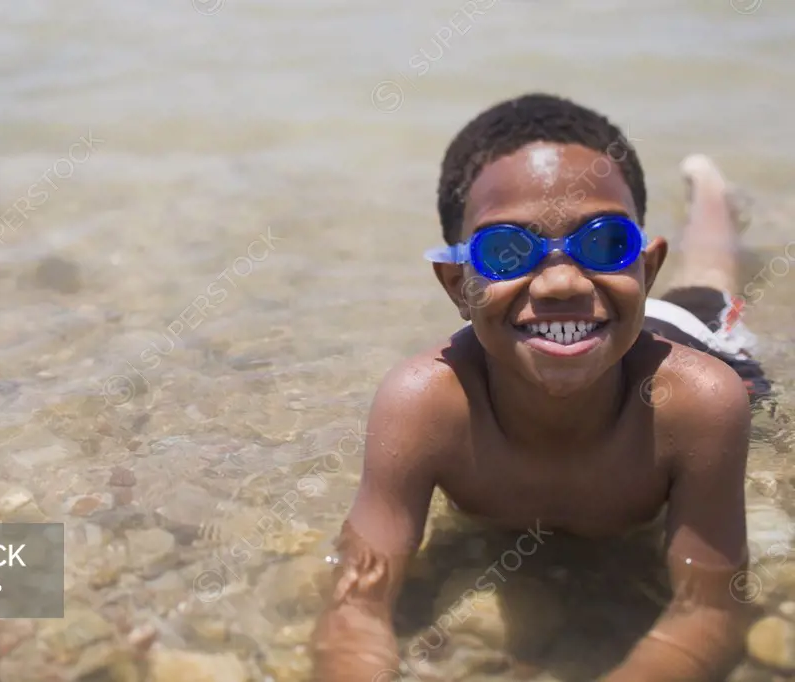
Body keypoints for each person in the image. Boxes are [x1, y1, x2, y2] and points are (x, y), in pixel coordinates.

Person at [311, 93, 768, 682]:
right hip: (607, 321)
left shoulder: (699, 403)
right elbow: (356, 603)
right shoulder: (424, 404)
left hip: (690, 338)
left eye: (606, 242)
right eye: (506, 252)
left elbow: (710, 610)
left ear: (646, 268)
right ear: (458, 284)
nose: (558, 282)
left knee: (710, 280)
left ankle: (713, 199)